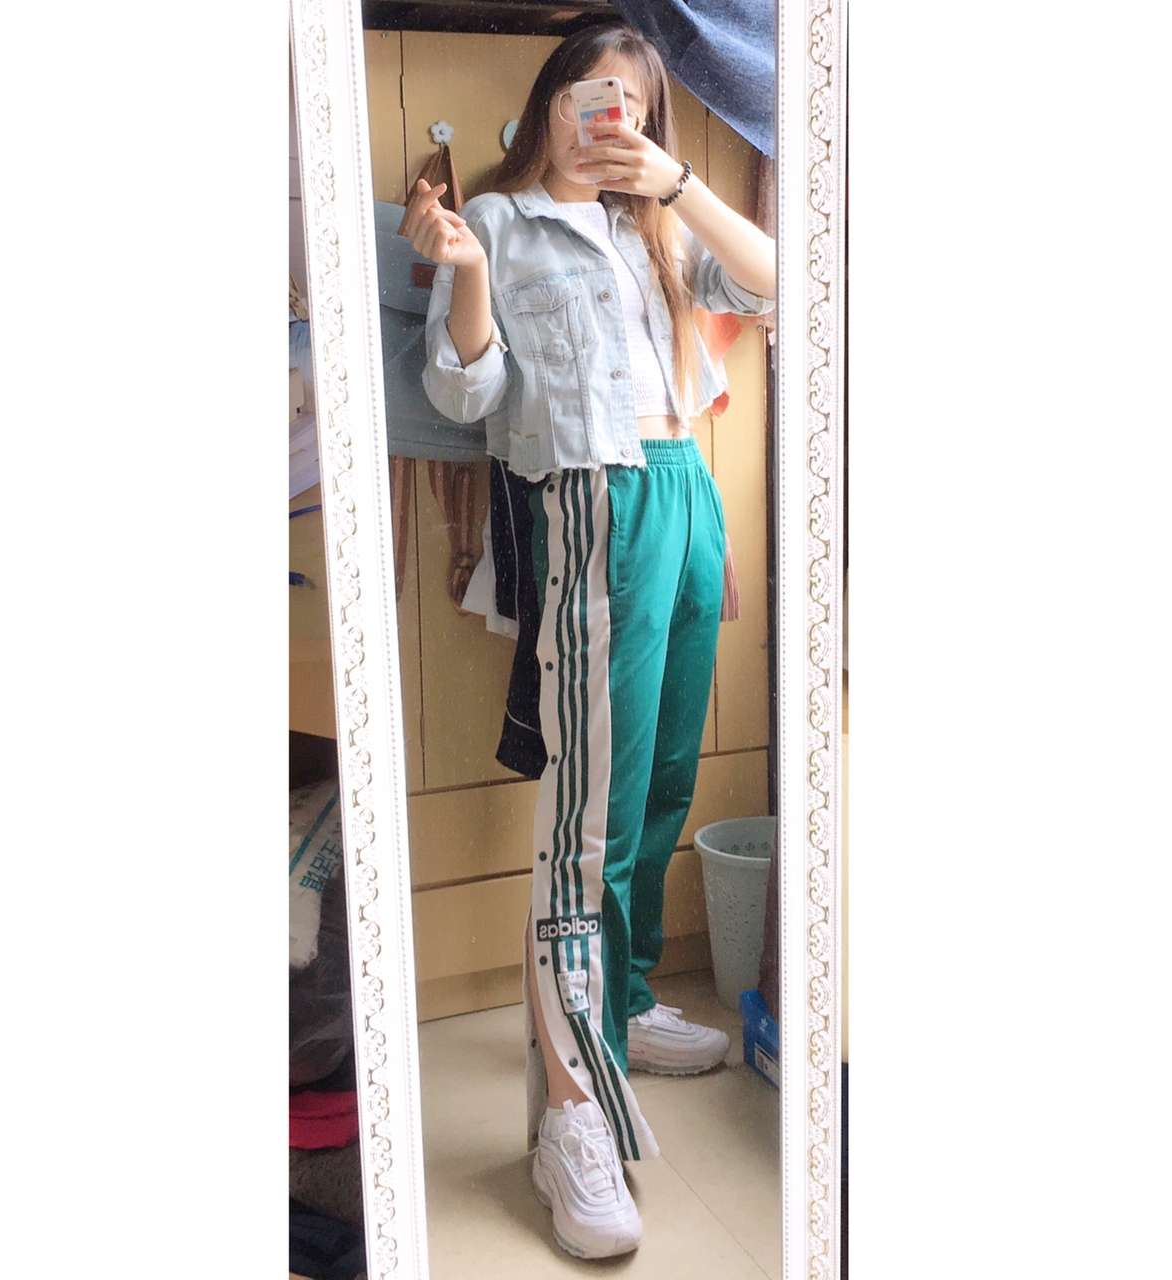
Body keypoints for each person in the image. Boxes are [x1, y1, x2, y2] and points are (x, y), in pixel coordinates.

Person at [403, 21, 775, 1261]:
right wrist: (464, 271)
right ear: (550, 97)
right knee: (588, 819)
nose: (603, 116)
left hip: (685, 490)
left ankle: (624, 1001)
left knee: (663, 782)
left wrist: (678, 184)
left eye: (631, 102)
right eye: (585, 91)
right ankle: (569, 1108)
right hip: (589, 503)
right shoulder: (497, 221)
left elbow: (784, 283)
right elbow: (462, 393)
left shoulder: (658, 223)